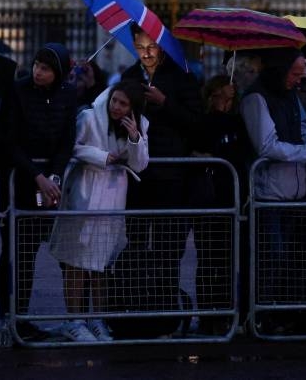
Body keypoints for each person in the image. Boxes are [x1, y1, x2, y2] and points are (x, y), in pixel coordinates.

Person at [240, 48, 306, 333]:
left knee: (289, 258)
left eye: (301, 73)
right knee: (269, 258)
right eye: (295, 73)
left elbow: (304, 130)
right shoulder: (256, 98)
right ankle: (259, 315)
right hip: (269, 192)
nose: (299, 79)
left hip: (296, 191)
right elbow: (267, 145)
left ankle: (280, 313)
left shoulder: (291, 97)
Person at [49, 80, 148, 343]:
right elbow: (71, 145)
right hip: (85, 194)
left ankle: (97, 320)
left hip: (113, 199)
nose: (116, 107)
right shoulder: (90, 116)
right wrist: (101, 156)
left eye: (123, 103)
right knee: (76, 263)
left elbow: (140, 164)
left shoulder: (138, 125)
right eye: (115, 100)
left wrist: (135, 138)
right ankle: (75, 320)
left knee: (102, 264)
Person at [119, 24, 202, 326]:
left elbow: (196, 123)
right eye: (141, 47)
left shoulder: (183, 77)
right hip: (139, 175)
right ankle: (137, 307)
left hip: (171, 174)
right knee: (137, 241)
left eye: (152, 47)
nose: (146, 53)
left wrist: (164, 103)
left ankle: (167, 310)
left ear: (163, 47)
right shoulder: (129, 76)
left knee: (169, 246)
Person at [0, 44, 78, 341]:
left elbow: (67, 139)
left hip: (50, 182)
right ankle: (9, 317)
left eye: (45, 68)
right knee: (14, 254)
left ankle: (23, 316)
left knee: (33, 252)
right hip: (20, 179)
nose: (38, 72)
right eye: (36, 65)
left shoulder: (68, 94)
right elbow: (9, 140)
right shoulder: (17, 91)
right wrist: (37, 176)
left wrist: (53, 176)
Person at [193, 74, 252, 335]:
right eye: (221, 96)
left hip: (233, 196)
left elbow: (244, 155)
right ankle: (208, 314)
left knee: (229, 261)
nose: (225, 102)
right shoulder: (202, 122)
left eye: (230, 97)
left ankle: (227, 312)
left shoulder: (238, 123)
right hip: (210, 198)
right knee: (208, 260)